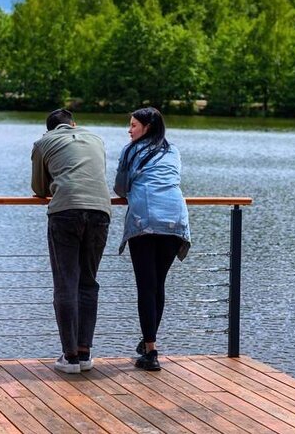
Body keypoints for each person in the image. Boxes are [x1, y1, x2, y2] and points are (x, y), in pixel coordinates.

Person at [32, 108, 112, 373]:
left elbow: (39, 188)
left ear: (49, 129)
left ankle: (69, 357)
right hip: (100, 211)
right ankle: (85, 353)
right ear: (74, 124)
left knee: (66, 283)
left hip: (65, 212)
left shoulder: (43, 143)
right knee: (88, 282)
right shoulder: (96, 139)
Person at [114, 107, 190, 372]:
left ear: (147, 127)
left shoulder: (130, 150)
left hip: (145, 220)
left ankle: (151, 352)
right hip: (174, 218)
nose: (129, 130)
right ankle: (149, 344)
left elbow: (120, 188)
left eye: (134, 125)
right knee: (158, 284)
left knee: (146, 286)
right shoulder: (173, 150)